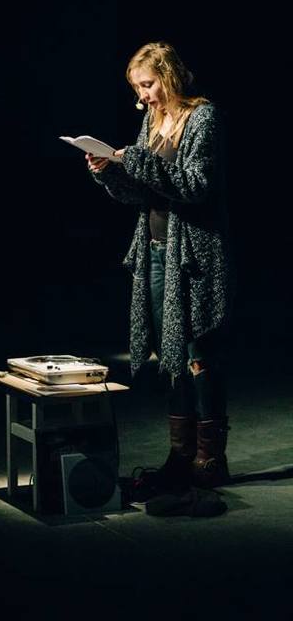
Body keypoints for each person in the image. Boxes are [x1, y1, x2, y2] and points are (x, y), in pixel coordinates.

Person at [87, 41, 236, 491]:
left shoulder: (202, 117)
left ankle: (210, 458)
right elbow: (143, 191)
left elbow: (195, 185)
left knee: (197, 353)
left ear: (168, 77)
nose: (143, 95)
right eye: (137, 88)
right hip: (155, 250)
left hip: (193, 255)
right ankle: (181, 455)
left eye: (148, 84)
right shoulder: (151, 122)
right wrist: (110, 173)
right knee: (169, 353)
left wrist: (136, 160)